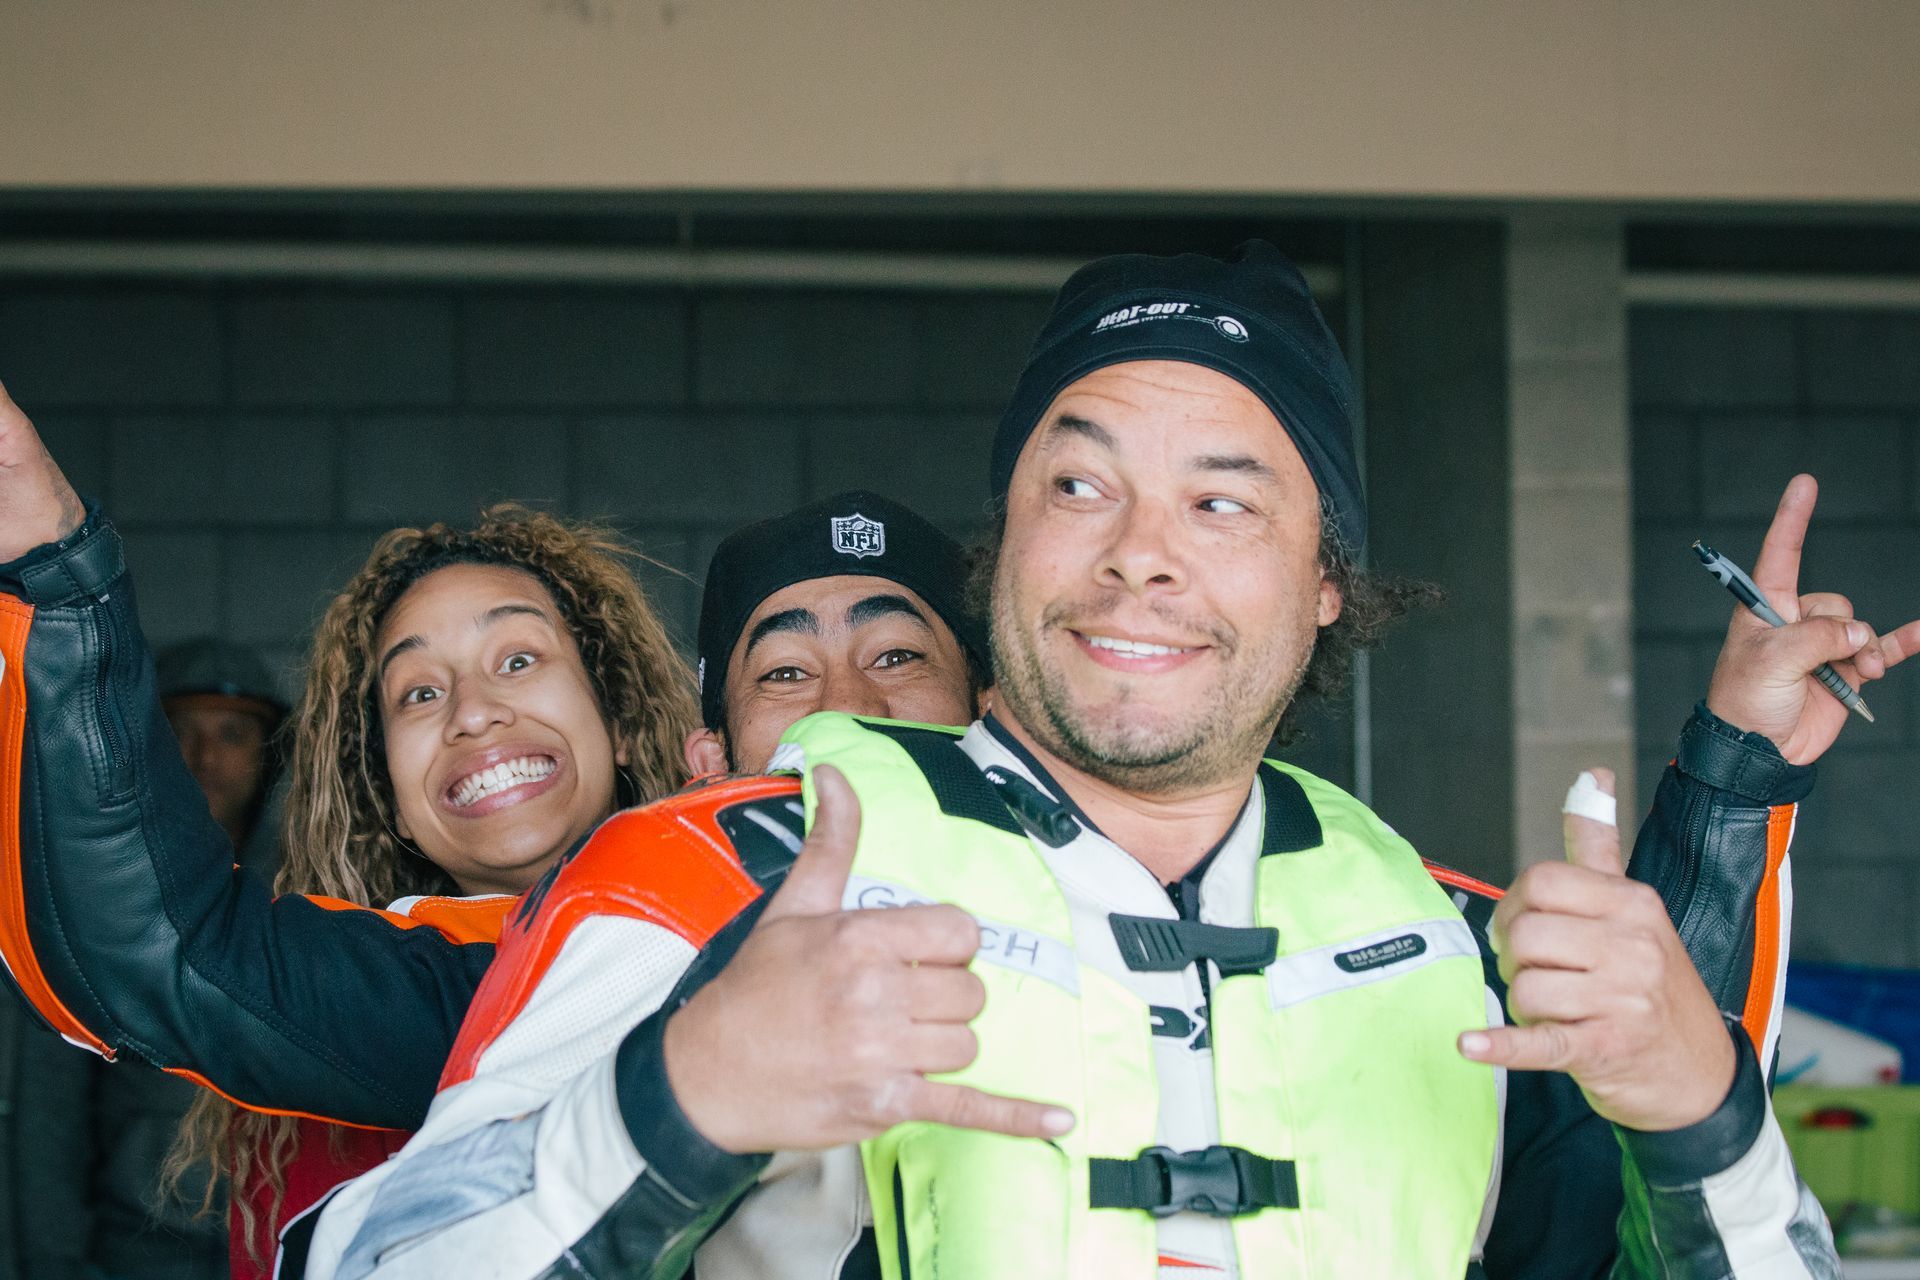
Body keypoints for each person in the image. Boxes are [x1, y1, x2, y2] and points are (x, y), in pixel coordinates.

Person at [295, 245, 1917, 1278]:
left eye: (1222, 501)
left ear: (1325, 578)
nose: (1142, 553)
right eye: (1079, 487)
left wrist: (1704, 1118)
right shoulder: (723, 878)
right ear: (1004, 543)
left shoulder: (1441, 939)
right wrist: (677, 1103)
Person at [156, 637, 288, 879]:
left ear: (268, 752)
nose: (206, 758)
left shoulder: (304, 878)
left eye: (231, 735)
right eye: (179, 733)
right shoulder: (106, 876)